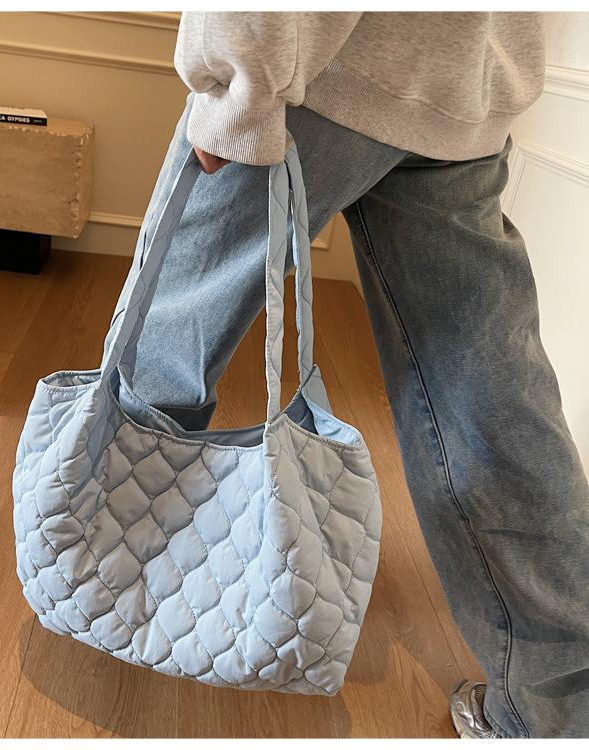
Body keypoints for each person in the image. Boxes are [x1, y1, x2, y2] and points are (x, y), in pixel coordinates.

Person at [107, 12, 589, 738]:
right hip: (468, 80)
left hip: (320, 67)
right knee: (488, 397)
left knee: (166, 339)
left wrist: (237, 80)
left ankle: (114, 585)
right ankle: (561, 711)